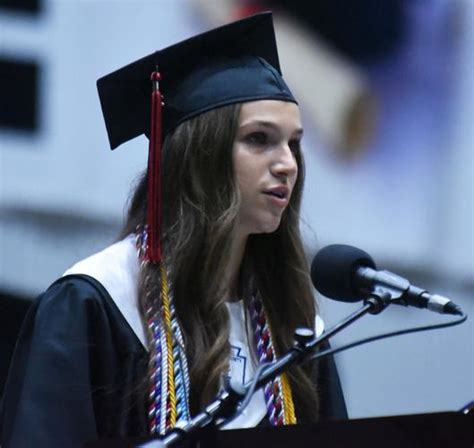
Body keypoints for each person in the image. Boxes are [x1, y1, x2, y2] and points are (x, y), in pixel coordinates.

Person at [0, 12, 346, 448]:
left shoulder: (294, 328)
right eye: (259, 139)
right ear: (199, 156)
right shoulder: (97, 305)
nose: (287, 165)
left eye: (293, 144)